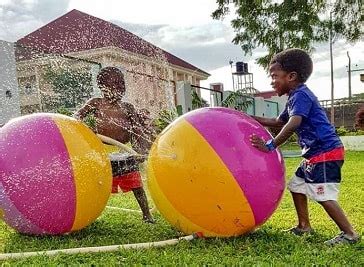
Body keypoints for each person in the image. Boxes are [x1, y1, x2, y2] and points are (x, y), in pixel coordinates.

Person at [249, 48, 360, 245]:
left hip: (325, 151)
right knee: (297, 186)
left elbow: (293, 123)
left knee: (322, 193)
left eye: (275, 76)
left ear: (291, 76)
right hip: (313, 154)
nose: (272, 81)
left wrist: (271, 145)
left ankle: (349, 233)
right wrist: (250, 118)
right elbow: (277, 120)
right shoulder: (294, 97)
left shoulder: (301, 95)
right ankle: (304, 226)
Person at [75, 66, 154, 223]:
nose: (119, 87)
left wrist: (141, 151)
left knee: (136, 184)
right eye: (114, 84)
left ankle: (147, 214)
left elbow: (137, 132)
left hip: (124, 151)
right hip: (102, 152)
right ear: (102, 87)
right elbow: (76, 116)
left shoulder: (127, 107)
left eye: (121, 84)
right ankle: (86, 213)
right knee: (95, 185)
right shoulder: (95, 103)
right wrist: (84, 127)